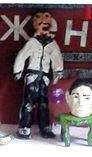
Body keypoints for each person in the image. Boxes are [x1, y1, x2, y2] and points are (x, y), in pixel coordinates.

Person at [13, 10, 64, 139]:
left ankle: (45, 127)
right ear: (36, 25)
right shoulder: (33, 42)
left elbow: (57, 58)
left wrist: (57, 72)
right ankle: (24, 127)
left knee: (43, 104)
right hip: (32, 76)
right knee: (28, 103)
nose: (43, 27)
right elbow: (22, 55)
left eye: (46, 25)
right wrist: (18, 70)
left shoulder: (52, 44)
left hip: (44, 77)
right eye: (41, 24)